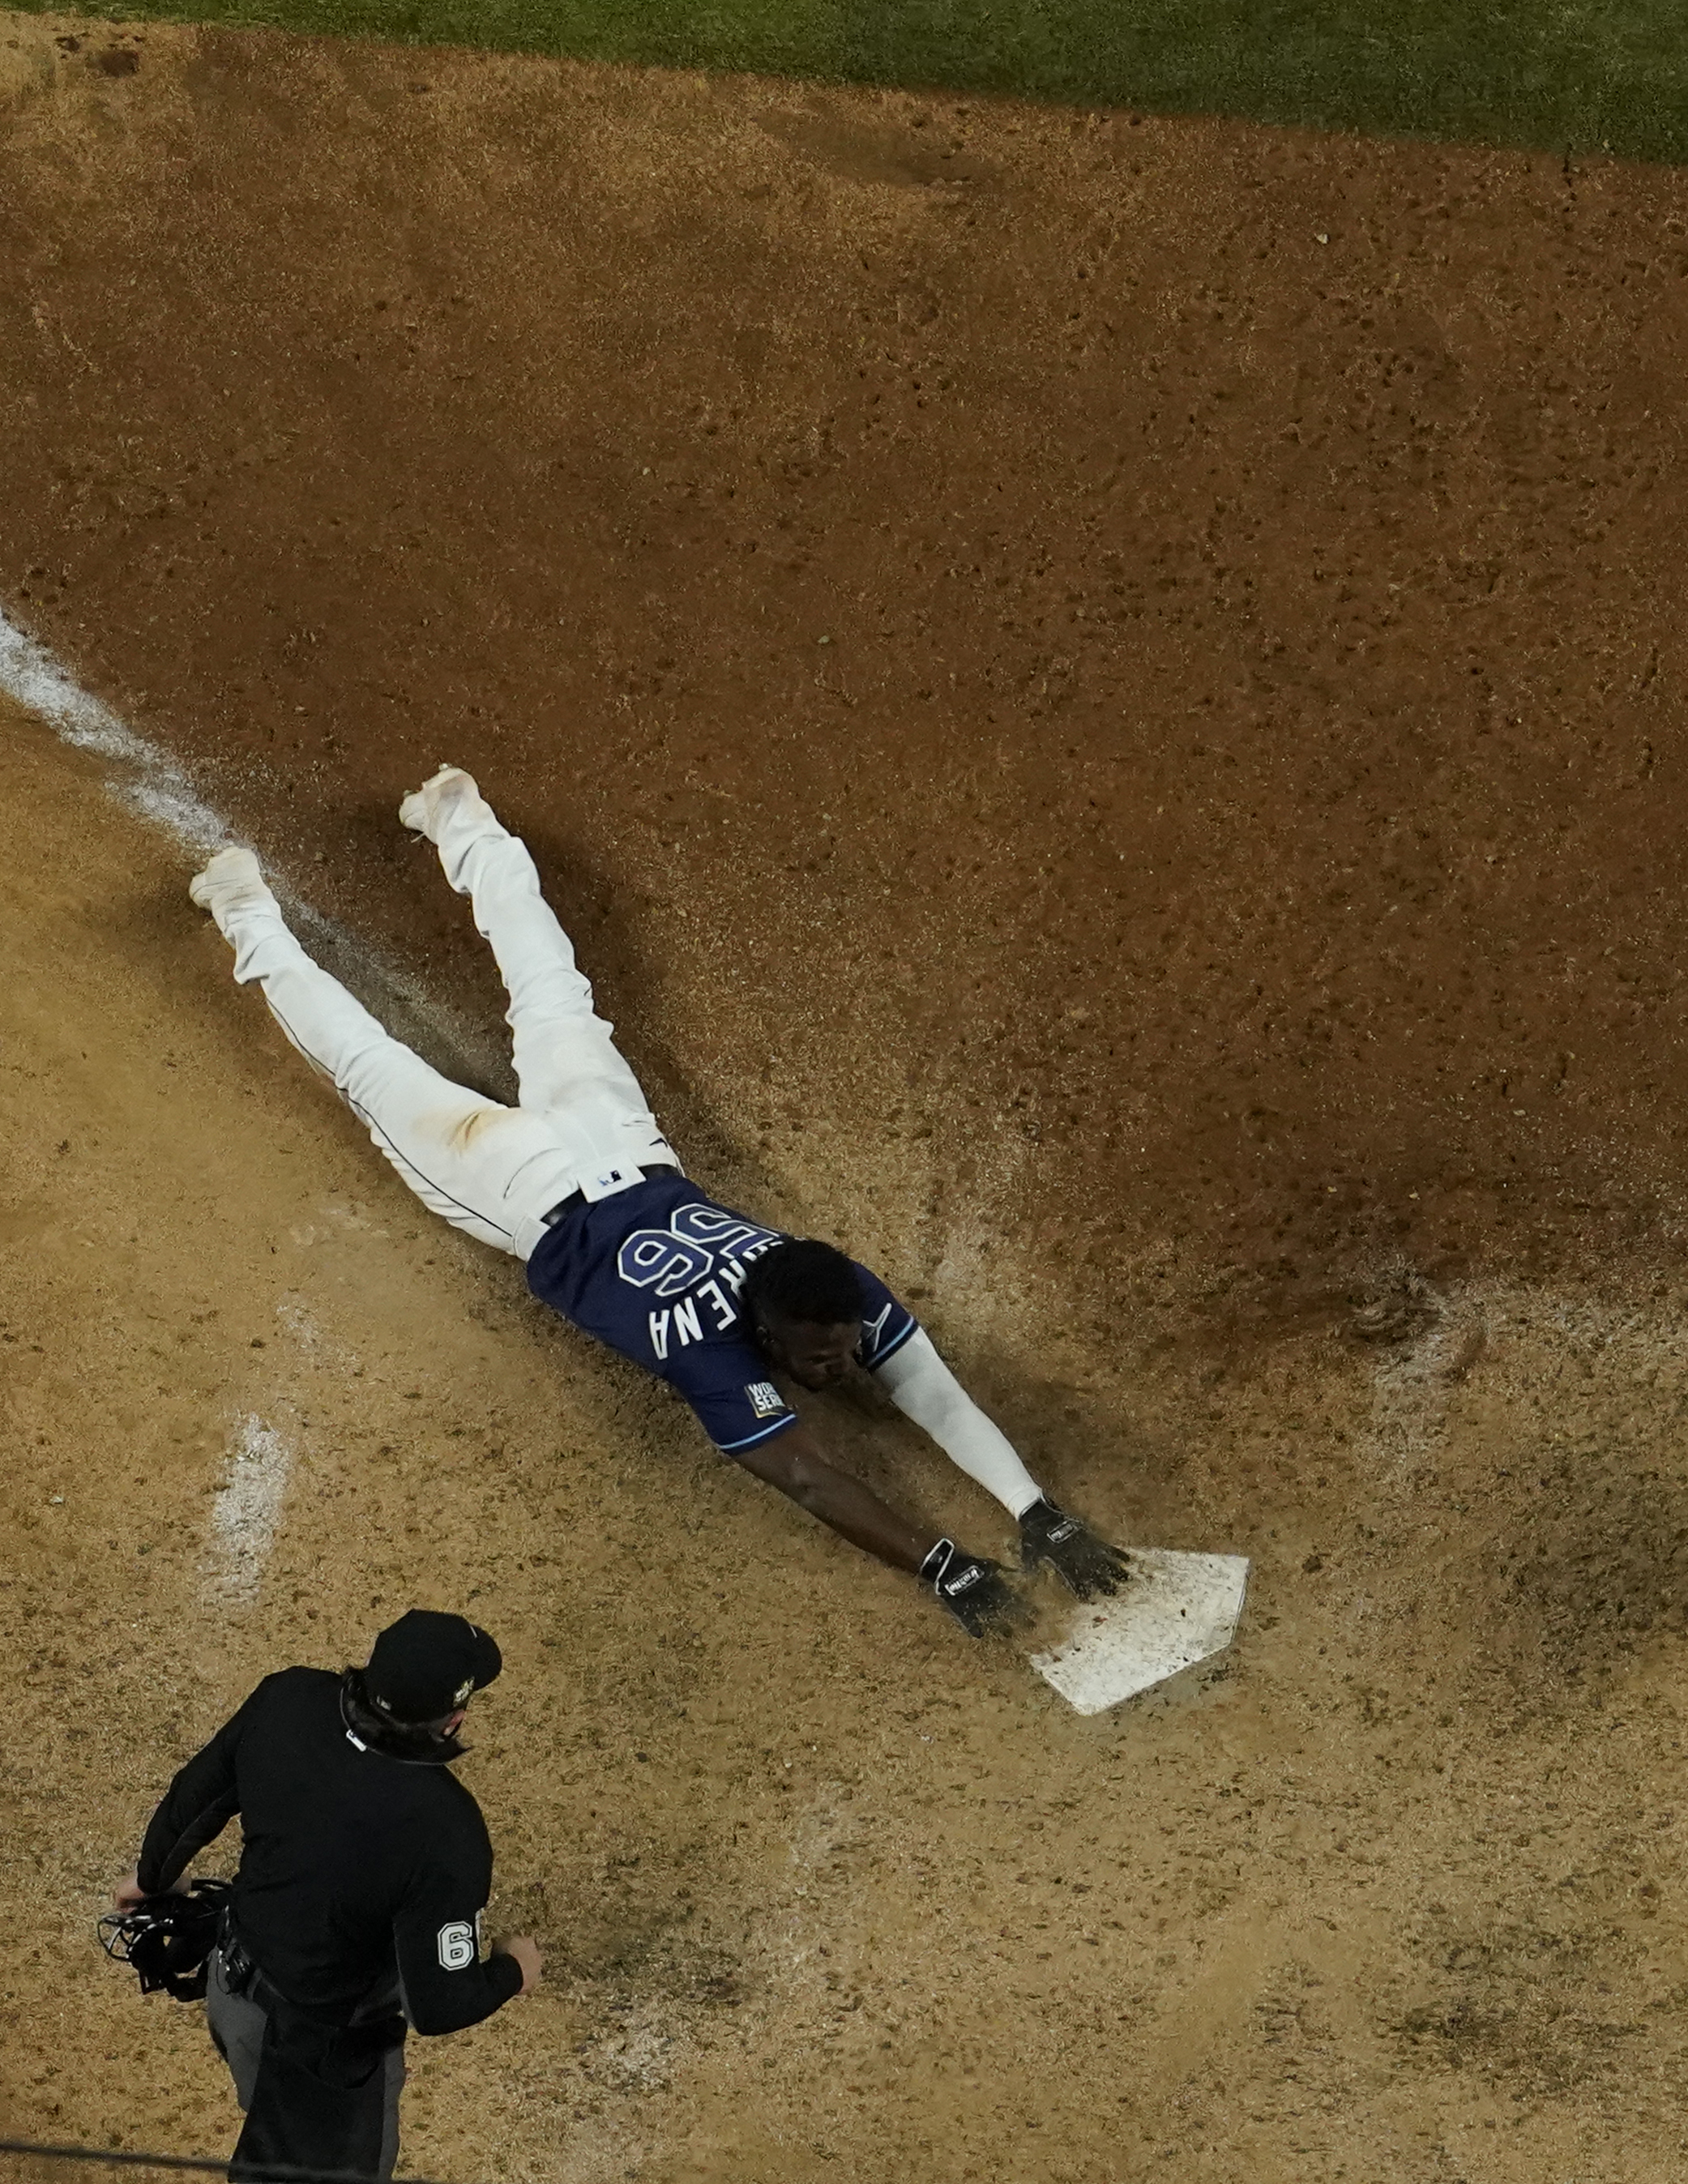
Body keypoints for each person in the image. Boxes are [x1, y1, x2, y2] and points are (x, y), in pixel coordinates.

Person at [186, 768, 1132, 1636]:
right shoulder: (714, 1355)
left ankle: (453, 816)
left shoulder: (821, 1286)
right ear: (761, 1332)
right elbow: (804, 1474)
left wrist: (1034, 1510)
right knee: (377, 1063)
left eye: (844, 1348)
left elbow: (922, 1380)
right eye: (819, 1356)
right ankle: (251, 907)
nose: (844, 1367)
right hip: (521, 1181)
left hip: (612, 1140)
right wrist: (942, 1565)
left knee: (547, 990)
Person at [118, 1612, 540, 2181]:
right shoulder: (449, 1831)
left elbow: (193, 1799)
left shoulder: (286, 1697)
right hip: (323, 2061)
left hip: (231, 1993)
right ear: (452, 1721)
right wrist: (516, 1969)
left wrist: (151, 1879)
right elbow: (440, 2006)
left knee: (265, 2113)